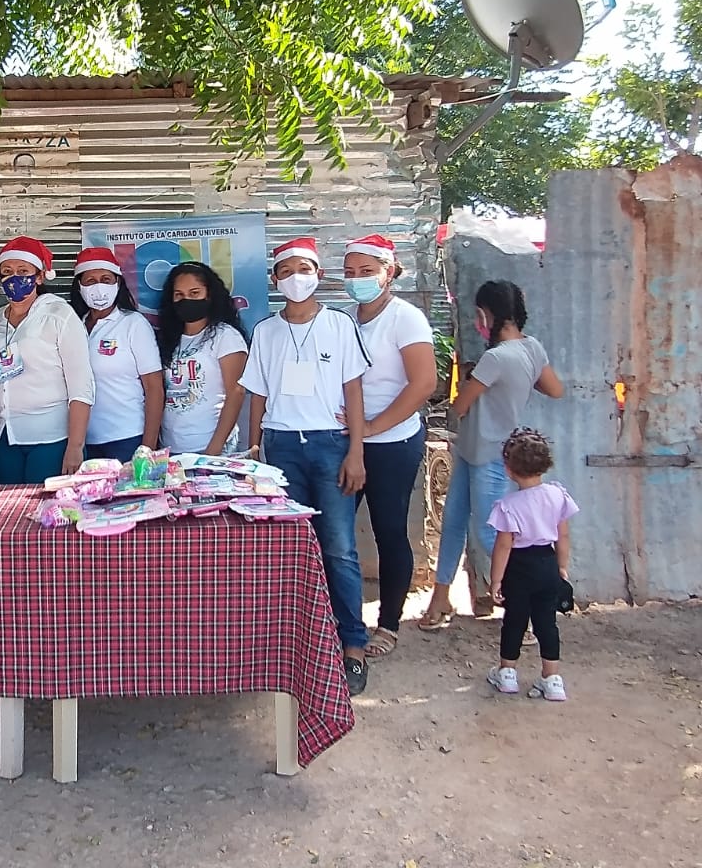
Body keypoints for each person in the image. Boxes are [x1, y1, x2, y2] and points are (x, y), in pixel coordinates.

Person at [241, 237, 371, 695]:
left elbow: (353, 391)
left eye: (305, 269)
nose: (296, 278)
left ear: (317, 274)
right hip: (280, 448)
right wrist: (253, 447)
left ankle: (352, 644)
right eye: (287, 270)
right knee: (290, 548)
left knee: (338, 548)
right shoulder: (265, 331)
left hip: (329, 446)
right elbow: (256, 394)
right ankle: (297, 644)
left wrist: (356, 450)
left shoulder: (339, 325)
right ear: (275, 280)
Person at [420, 280, 564, 631]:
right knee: (453, 523)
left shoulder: (494, 359)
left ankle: (526, 611)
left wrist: (473, 380)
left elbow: (460, 405)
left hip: (485, 455)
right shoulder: (531, 349)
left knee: (491, 535)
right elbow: (554, 389)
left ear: (487, 314)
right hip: (479, 451)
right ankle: (441, 597)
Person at [341, 235, 438, 658]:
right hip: (350, 442)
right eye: (350, 273)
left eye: (367, 272)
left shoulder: (406, 319)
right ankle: (341, 619)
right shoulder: (345, 320)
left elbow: (424, 384)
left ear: (389, 272)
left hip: (393, 442)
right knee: (336, 532)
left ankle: (389, 623)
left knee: (389, 530)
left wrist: (373, 427)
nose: (358, 280)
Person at [0, 237, 95, 483]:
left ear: (40, 276)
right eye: (7, 272)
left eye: (23, 271)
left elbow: (81, 387)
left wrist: (75, 446)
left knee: (48, 514)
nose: (14, 279)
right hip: (2, 436)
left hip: (51, 439)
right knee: (7, 515)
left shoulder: (59, 315)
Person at [486, 428, 576, 702]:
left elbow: (503, 546)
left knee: (514, 621)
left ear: (509, 469)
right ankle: (552, 679)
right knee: (546, 623)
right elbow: (563, 535)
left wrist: (496, 580)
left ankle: (507, 673)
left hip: (519, 567)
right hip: (547, 563)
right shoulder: (557, 495)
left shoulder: (508, 505)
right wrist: (561, 567)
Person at [68, 247, 165, 463]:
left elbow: (154, 388)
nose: (99, 287)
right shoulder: (72, 326)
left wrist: (148, 447)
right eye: (90, 281)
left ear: (118, 283)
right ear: (79, 287)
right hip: (84, 442)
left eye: (106, 279)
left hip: (128, 439)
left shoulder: (133, 324)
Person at [157, 262, 248, 456]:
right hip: (171, 448)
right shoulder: (168, 338)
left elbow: (236, 393)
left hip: (212, 448)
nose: (186, 299)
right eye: (179, 295)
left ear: (210, 295)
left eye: (194, 293)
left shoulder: (225, 336)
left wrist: (214, 449)